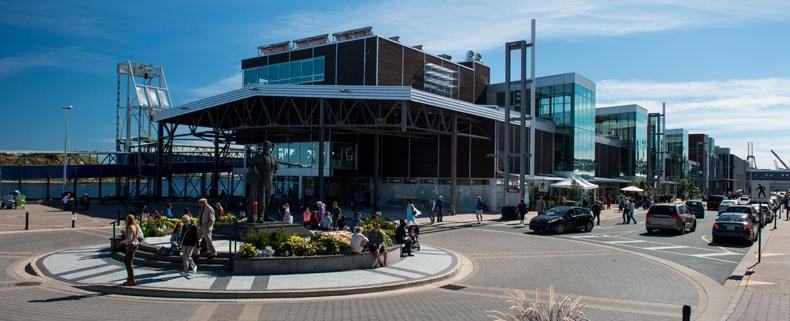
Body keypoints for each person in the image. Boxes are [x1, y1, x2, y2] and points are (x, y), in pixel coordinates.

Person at [118, 215, 141, 286]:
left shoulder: (130, 227)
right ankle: (130, 279)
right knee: (126, 262)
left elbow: (129, 239)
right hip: (134, 245)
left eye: (126, 219)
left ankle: (131, 280)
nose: (125, 220)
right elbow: (139, 234)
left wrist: (121, 242)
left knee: (129, 263)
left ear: (128, 220)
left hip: (131, 246)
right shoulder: (136, 226)